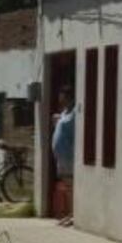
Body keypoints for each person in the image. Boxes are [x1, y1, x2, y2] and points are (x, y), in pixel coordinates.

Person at [51, 87, 76, 225]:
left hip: (69, 156)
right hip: (61, 157)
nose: (61, 100)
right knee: (67, 187)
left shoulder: (75, 113)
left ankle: (73, 214)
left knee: (71, 187)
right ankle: (69, 213)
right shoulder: (64, 113)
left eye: (64, 97)